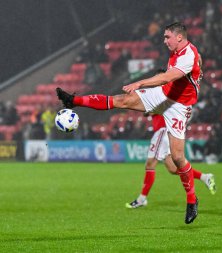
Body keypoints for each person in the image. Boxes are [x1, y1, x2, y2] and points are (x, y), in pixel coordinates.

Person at [56, 22, 202, 224]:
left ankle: (192, 200)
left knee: (177, 158)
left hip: (179, 106)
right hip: (163, 95)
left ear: (179, 37)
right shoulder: (176, 51)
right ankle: (73, 101)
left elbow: (169, 76)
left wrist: (140, 82)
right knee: (121, 100)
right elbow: (167, 80)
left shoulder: (189, 55)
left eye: (167, 37)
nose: (164, 40)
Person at [126, 114, 216, 209]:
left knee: (150, 165)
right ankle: (205, 177)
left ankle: (141, 199)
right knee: (172, 168)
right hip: (168, 131)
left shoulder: (160, 99)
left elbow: (149, 111)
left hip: (163, 130)